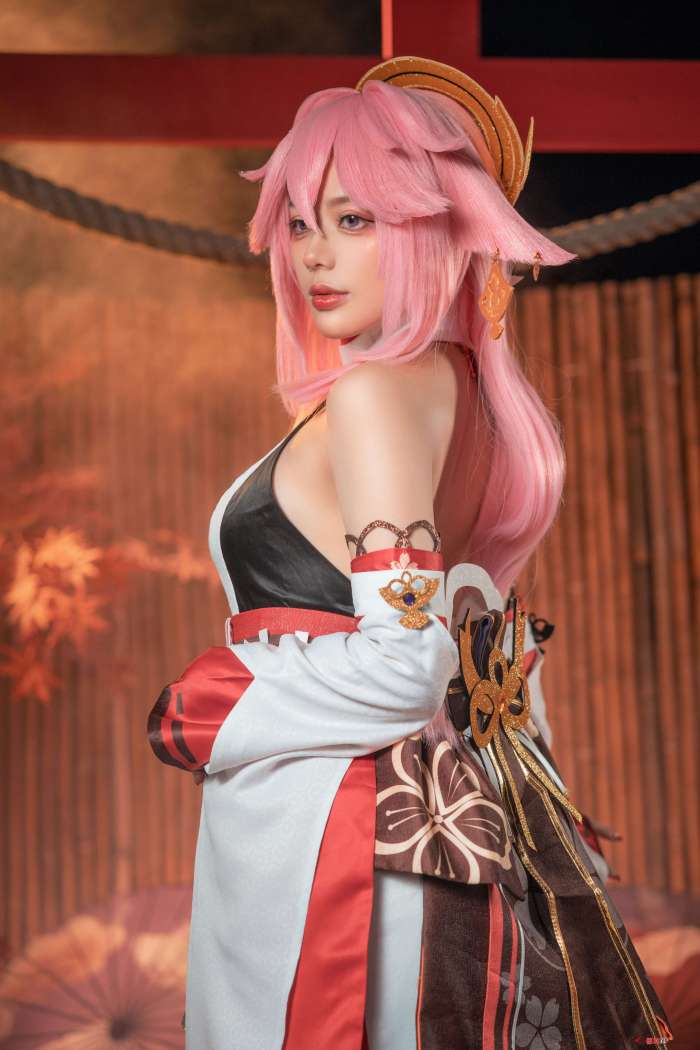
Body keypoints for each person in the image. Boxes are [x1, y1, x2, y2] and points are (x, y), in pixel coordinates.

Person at [147, 56, 673, 1050]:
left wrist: (227, 700)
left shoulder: (375, 393)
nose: (315, 256)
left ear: (434, 229)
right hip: (368, 819)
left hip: (336, 833)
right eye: (299, 223)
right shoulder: (455, 389)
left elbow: (405, 664)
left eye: (354, 220)